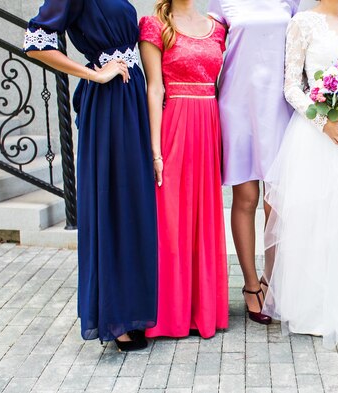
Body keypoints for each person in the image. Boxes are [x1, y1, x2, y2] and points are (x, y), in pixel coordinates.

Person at [24, 0, 158, 351]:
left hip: (131, 100)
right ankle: (114, 318)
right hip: (110, 103)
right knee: (112, 203)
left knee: (132, 204)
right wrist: (95, 73)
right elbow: (36, 41)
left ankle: (133, 308)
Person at [262, 0, 338, 349]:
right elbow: (291, 86)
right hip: (315, 137)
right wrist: (324, 122)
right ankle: (311, 311)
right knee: (313, 219)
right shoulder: (302, 23)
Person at [139, 0, 228, 339]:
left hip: (209, 125)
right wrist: (155, 149)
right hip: (175, 123)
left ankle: (203, 310)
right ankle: (170, 314)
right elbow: (155, 87)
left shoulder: (217, 27)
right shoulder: (154, 25)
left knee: (204, 217)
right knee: (171, 218)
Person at [207, 0, 300, 326]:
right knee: (245, 197)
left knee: (276, 199)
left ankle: (272, 283)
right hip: (237, 102)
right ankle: (249, 285)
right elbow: (208, 43)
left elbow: (304, 40)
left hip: (279, 104)